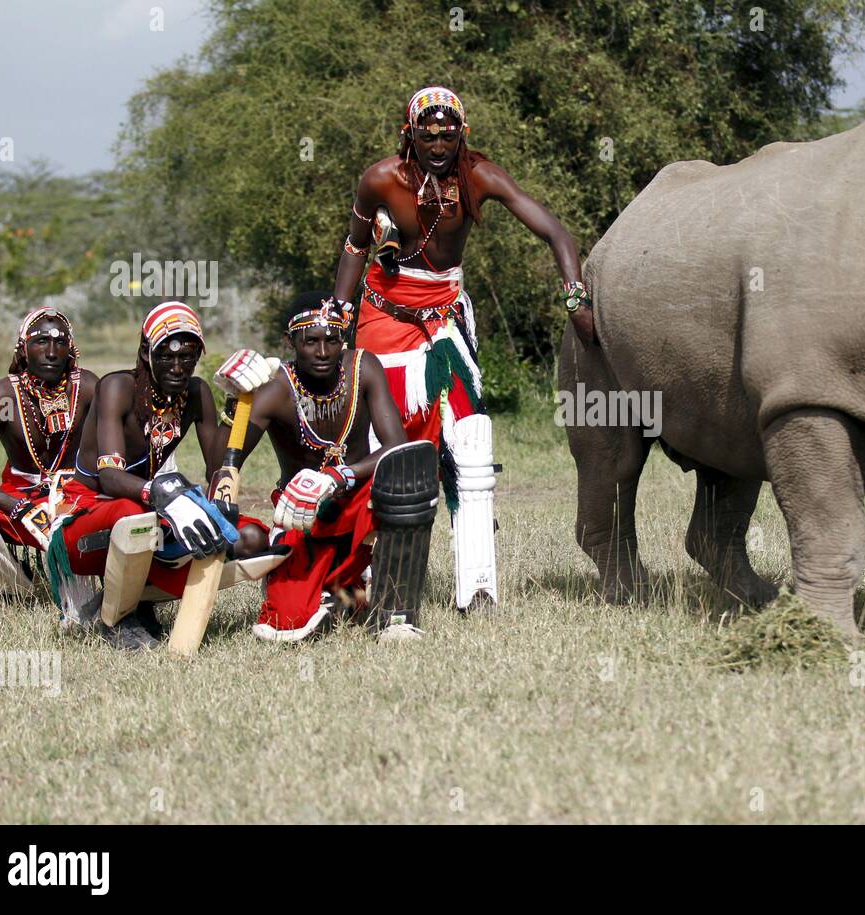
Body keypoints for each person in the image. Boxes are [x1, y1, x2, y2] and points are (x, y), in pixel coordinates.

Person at [332, 85, 593, 607]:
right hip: (383, 320)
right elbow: (356, 247)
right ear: (410, 135)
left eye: (448, 134)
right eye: (427, 135)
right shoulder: (381, 179)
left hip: (446, 322)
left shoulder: (479, 176)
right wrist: (339, 315)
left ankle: (477, 587)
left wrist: (575, 299)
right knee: (381, 446)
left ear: (462, 134)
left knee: (470, 442)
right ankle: (362, 579)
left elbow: (557, 234)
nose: (437, 144)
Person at [211, 292, 438, 642]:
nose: (322, 352)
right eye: (310, 341)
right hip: (304, 519)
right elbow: (221, 463)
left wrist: (340, 474)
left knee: (406, 477)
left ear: (342, 339)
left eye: (332, 340)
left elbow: (397, 447)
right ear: (290, 342)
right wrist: (234, 405)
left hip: (357, 504)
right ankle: (341, 589)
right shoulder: (275, 390)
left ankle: (396, 615)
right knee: (286, 624)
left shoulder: (364, 368)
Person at [49, 301, 270, 649]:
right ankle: (119, 617)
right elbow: (109, 478)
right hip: (91, 511)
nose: (178, 367)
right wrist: (161, 493)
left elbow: (217, 470)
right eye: (166, 356)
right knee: (134, 518)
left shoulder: (195, 393)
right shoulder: (117, 388)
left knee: (251, 537)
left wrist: (235, 407)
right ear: (145, 352)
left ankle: (142, 597)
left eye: (188, 357)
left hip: (150, 509)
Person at [0, 307, 97, 597]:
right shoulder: (1, 397)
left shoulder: (87, 388)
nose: (51, 351)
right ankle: (16, 588)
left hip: (75, 494)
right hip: (19, 496)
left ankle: (95, 584)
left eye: (60, 342)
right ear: (23, 349)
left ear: (71, 348)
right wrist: (18, 508)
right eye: (40, 341)